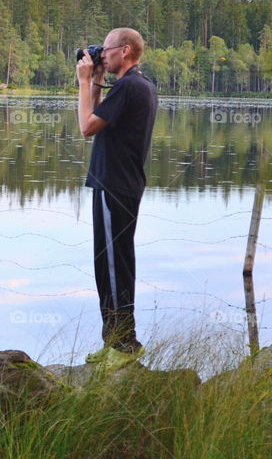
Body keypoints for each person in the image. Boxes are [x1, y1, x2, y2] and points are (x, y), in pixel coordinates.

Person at [76, 27, 158, 365]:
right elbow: (98, 118)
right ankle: (114, 341)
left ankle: (124, 346)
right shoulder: (138, 85)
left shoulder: (128, 87)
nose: (102, 54)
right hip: (119, 184)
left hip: (115, 185)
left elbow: (85, 127)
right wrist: (95, 79)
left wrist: (84, 82)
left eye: (107, 50)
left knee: (112, 266)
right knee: (111, 263)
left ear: (125, 51)